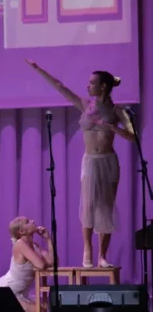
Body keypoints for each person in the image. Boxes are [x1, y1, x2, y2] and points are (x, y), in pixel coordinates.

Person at [26, 60, 134, 267]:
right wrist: (38, 69)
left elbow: (132, 136)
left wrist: (113, 128)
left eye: (92, 83)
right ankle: (88, 250)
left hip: (108, 161)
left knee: (106, 208)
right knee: (88, 205)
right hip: (90, 161)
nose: (88, 86)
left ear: (103, 86)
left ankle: (102, 256)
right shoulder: (86, 105)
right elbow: (60, 86)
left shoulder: (117, 111)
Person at [0, 216, 53, 312]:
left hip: (21, 294)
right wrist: (43, 260)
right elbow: (41, 265)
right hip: (8, 291)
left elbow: (52, 262)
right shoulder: (20, 244)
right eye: (27, 221)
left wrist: (48, 239)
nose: (33, 221)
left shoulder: (35, 246)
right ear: (21, 231)